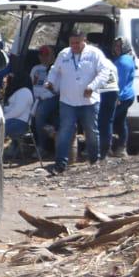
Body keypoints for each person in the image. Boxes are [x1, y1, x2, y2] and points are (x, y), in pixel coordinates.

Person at [43, 29, 113, 174]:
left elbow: (105, 72)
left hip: (89, 102)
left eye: (77, 43)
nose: (74, 46)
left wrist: (92, 86)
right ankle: (60, 165)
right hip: (67, 101)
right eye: (71, 43)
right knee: (64, 132)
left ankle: (95, 161)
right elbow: (55, 70)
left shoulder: (95, 54)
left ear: (84, 41)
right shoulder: (64, 54)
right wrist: (50, 82)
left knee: (91, 132)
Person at [103, 36, 136, 158]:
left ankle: (106, 149)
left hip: (121, 97)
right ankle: (121, 148)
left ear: (124, 47)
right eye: (115, 46)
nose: (116, 48)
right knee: (121, 122)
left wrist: (116, 97)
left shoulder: (123, 61)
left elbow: (119, 82)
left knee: (107, 121)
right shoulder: (127, 58)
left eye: (119, 46)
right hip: (127, 96)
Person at [28, 44, 58, 155]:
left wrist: (42, 97)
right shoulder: (35, 69)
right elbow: (31, 85)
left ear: (53, 56)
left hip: (50, 96)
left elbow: (55, 89)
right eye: (41, 55)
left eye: (47, 55)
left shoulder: (55, 69)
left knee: (40, 113)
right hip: (34, 97)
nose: (44, 57)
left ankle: (42, 146)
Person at [0, 74, 35, 162]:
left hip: (21, 123)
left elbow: (17, 110)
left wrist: (3, 118)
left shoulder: (25, 92)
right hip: (14, 120)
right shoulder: (19, 91)